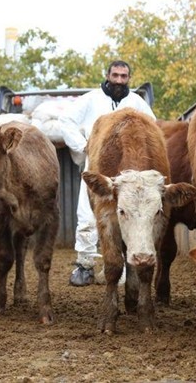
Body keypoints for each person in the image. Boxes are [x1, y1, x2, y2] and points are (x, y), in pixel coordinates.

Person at [59, 60, 156, 286]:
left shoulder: (136, 102)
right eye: (116, 75)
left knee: (128, 215)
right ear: (107, 75)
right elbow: (66, 120)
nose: (119, 80)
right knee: (87, 213)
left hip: (132, 171)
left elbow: (153, 127)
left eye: (124, 76)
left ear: (129, 78)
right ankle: (84, 265)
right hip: (97, 165)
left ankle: (120, 267)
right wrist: (83, 145)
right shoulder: (91, 99)